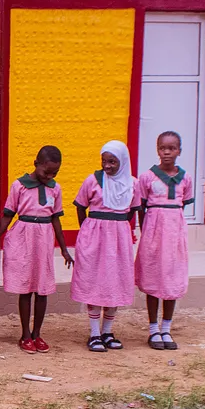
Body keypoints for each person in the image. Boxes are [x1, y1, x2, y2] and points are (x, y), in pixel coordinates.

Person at [0, 146, 73, 354]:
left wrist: (64, 249)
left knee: (42, 289)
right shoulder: (19, 186)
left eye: (54, 173)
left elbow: (56, 219)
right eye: (45, 172)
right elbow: (7, 215)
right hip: (23, 238)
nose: (49, 176)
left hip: (44, 240)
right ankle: (25, 334)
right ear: (35, 164)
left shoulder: (55, 189)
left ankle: (37, 333)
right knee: (26, 287)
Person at [71, 140, 140, 353]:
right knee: (95, 282)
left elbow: (132, 211)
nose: (107, 166)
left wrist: (117, 227)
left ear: (123, 161)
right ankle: (94, 334)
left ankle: (107, 331)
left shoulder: (132, 184)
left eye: (112, 161)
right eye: (104, 161)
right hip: (95, 239)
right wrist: (89, 230)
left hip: (119, 240)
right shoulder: (92, 181)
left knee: (115, 282)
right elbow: (81, 207)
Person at [135, 131, 194, 351]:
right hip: (153, 234)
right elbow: (141, 207)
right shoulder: (147, 177)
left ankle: (166, 328)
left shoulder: (185, 178)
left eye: (172, 148)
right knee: (154, 279)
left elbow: (183, 205)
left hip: (175, 236)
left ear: (179, 151)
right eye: (162, 148)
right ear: (157, 149)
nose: (167, 152)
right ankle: (153, 329)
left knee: (172, 280)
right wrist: (146, 230)